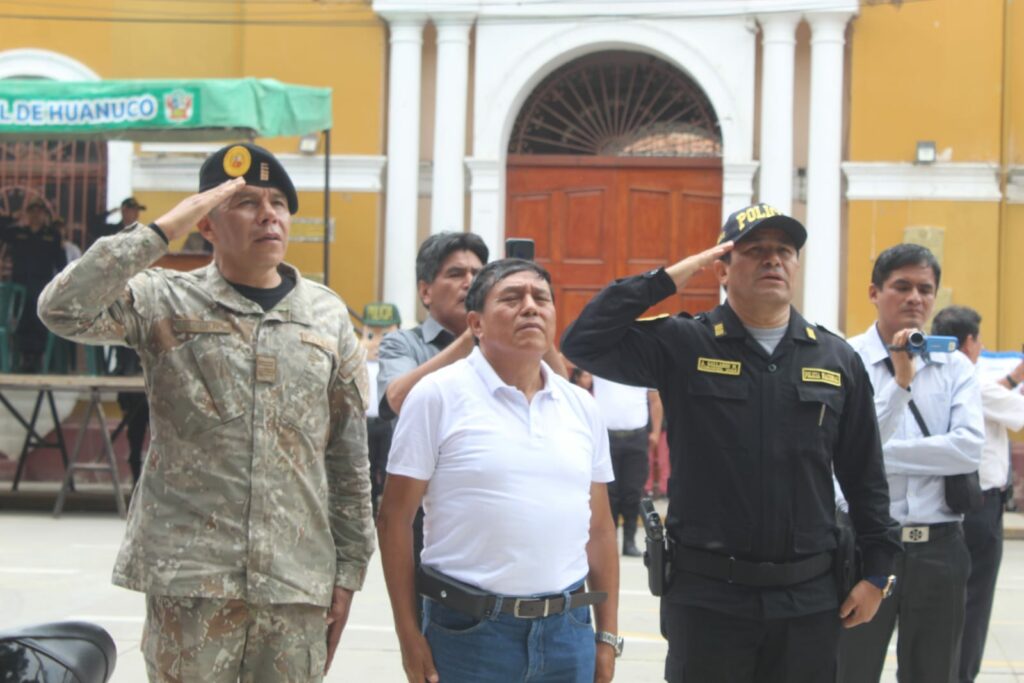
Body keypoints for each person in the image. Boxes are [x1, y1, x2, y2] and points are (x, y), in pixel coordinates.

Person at [39, 142, 374, 682]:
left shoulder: (326, 315)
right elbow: (62, 307)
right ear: (207, 224)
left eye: (279, 204)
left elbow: (348, 457)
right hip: (192, 581)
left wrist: (350, 572)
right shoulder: (164, 299)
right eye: (245, 202)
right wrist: (160, 230)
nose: (268, 214)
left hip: (295, 582)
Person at [562, 203, 901, 683]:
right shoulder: (684, 344)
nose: (773, 261)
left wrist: (876, 574)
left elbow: (865, 475)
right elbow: (582, 341)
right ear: (721, 269)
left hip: (807, 599)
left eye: (784, 251)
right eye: (755, 251)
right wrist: (671, 277)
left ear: (797, 267)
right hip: (708, 600)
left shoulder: (837, 358)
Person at [378, 258, 620, 683]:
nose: (530, 307)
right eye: (511, 298)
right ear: (476, 323)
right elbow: (395, 518)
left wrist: (607, 636)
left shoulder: (581, 406)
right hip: (469, 635)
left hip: (568, 634)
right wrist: (408, 633)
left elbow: (599, 528)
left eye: (541, 298)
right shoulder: (436, 396)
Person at [837, 244, 984, 683]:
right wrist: (901, 384)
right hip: (864, 546)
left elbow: (968, 449)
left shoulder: (955, 365)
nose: (915, 298)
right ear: (874, 292)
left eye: (925, 289)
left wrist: (873, 458)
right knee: (850, 670)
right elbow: (839, 455)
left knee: (933, 672)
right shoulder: (847, 358)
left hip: (939, 549)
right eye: (901, 286)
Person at [931, 305, 1024, 683]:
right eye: (979, 340)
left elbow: (998, 394)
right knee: (974, 601)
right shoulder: (971, 380)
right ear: (967, 343)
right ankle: (961, 675)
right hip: (980, 506)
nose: (982, 347)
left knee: (948, 602)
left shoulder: (937, 376)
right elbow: (1017, 411)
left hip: (949, 504)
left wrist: (1013, 378)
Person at [591, 374, 662, 556]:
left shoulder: (641, 367)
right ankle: (610, 541)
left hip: (636, 438)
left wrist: (655, 431)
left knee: (632, 493)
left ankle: (629, 541)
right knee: (609, 494)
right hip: (606, 438)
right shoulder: (601, 365)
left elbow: (655, 401)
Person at [0, 196, 66, 371]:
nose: (36, 215)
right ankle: (23, 358)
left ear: (44, 214)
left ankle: (36, 358)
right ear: (27, 214)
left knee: (39, 322)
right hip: (20, 287)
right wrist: (13, 217)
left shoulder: (52, 235)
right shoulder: (18, 233)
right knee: (21, 321)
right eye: (32, 212)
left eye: (39, 212)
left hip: (42, 286)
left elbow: (61, 263)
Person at [361, 301, 402, 516]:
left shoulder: (398, 365)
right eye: (370, 336)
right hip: (364, 424)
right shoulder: (358, 364)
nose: (376, 343)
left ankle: (384, 509)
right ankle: (368, 508)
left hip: (387, 423)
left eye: (385, 336)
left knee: (387, 467)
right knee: (364, 469)